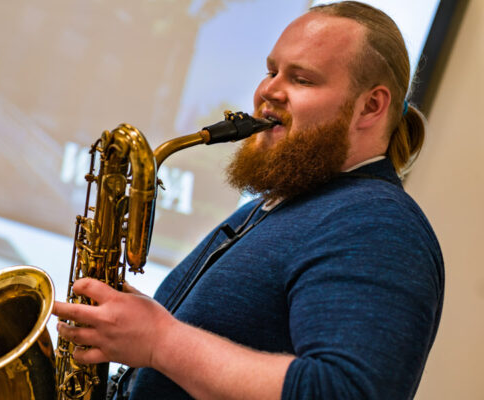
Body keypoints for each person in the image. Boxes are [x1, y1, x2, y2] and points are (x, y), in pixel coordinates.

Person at [53, 1, 444, 399]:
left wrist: (161, 342)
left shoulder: (377, 224)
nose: (268, 91)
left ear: (371, 106)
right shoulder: (276, 209)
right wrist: (133, 330)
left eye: (302, 79)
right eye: (271, 71)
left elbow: (345, 392)